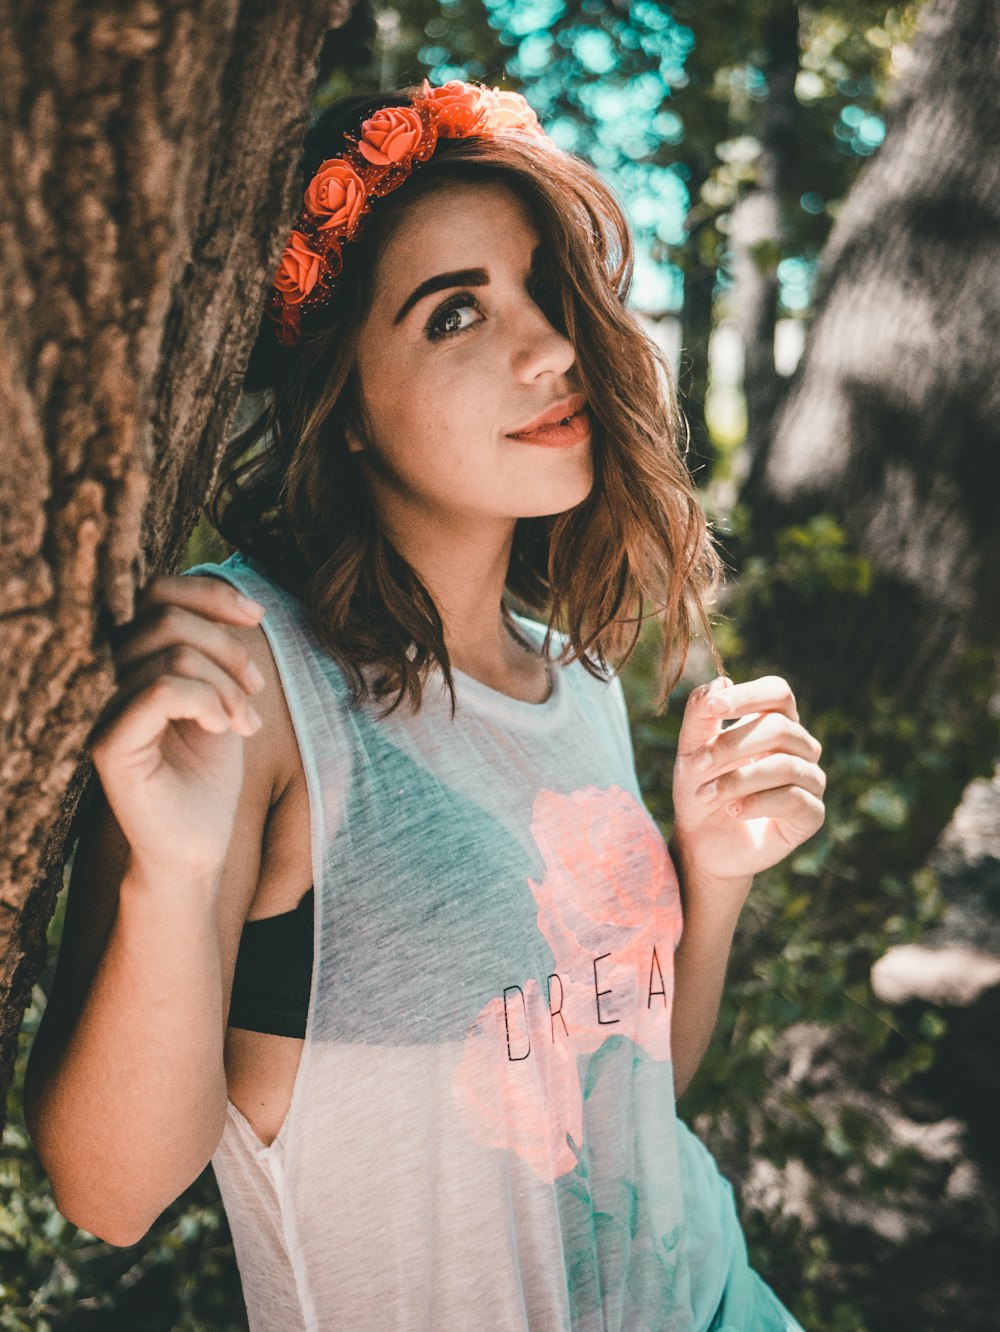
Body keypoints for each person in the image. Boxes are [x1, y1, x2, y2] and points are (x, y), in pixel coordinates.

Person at [24, 78, 825, 1330]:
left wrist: (708, 881)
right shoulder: (249, 676)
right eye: (455, 314)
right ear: (340, 407)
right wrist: (169, 879)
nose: (551, 347)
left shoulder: (582, 675)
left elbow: (625, 1087)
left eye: (542, 293)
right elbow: (109, 1195)